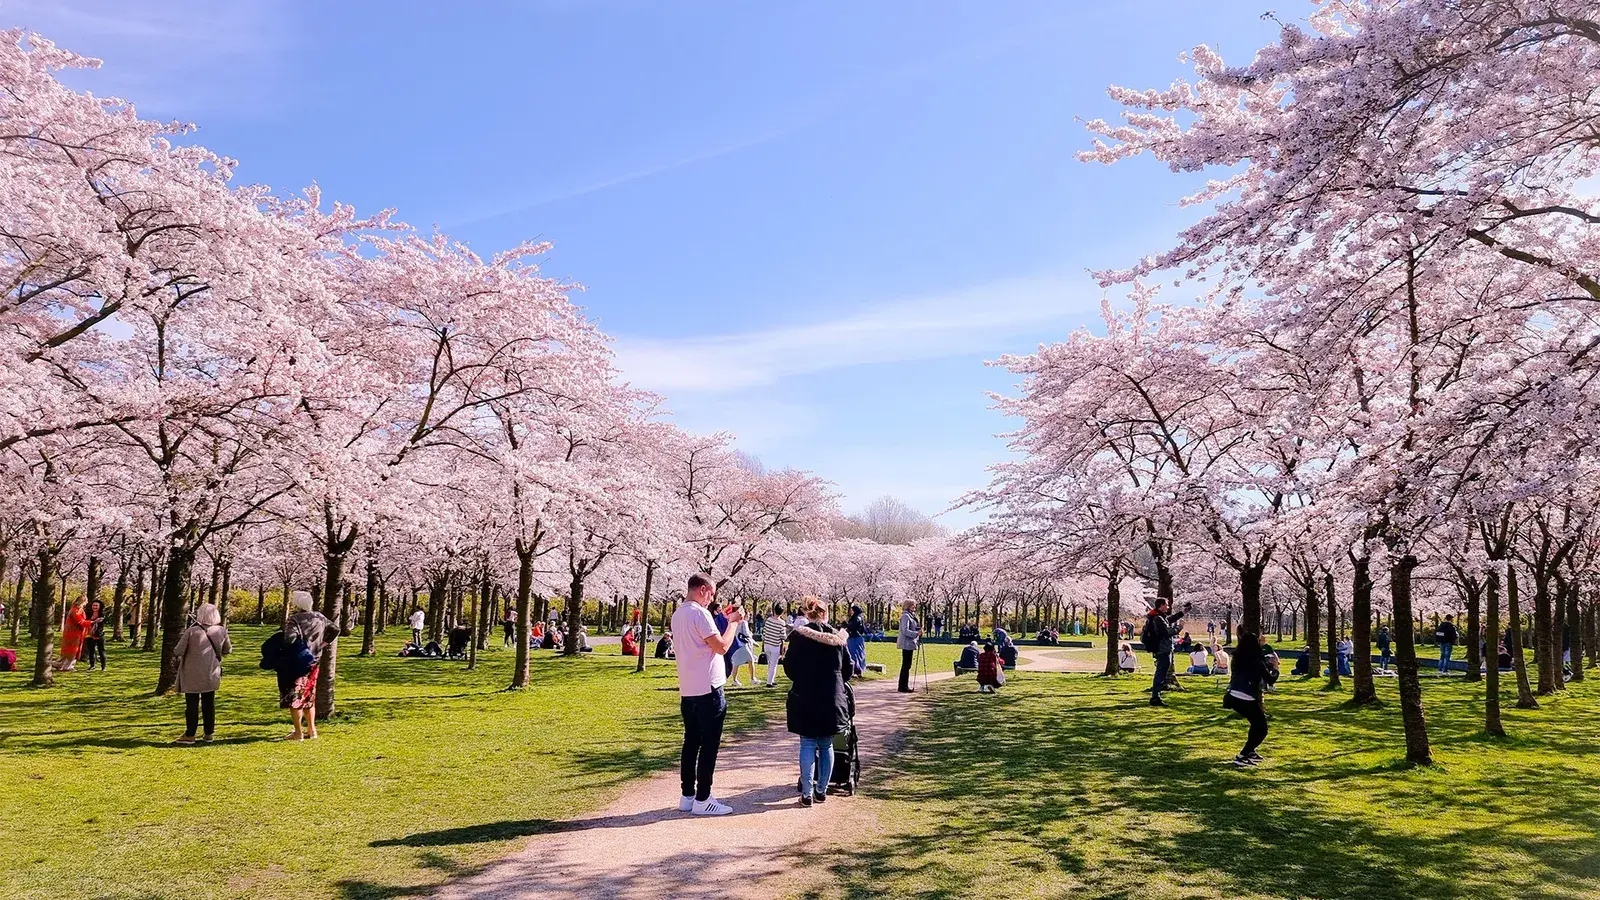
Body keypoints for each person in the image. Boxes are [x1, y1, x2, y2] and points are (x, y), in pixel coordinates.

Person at [672, 573, 745, 816]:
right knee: (709, 744)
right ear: (703, 589)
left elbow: (702, 638)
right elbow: (722, 647)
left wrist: (721, 619)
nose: (712, 598)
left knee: (691, 741)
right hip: (708, 687)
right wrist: (734, 622)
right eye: (711, 593)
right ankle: (703, 797)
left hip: (689, 687)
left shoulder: (679, 613)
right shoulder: (699, 613)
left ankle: (688, 794)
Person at [783, 596, 851, 806]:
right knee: (826, 744)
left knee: (807, 743)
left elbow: (789, 667)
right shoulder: (838, 639)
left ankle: (806, 792)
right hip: (831, 697)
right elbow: (847, 669)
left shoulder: (799, 637)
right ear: (825, 613)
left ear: (808, 614)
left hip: (806, 695)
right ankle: (821, 790)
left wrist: (802, 678)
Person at [172, 602, 231, 744]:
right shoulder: (221, 630)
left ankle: (190, 734)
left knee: (191, 704)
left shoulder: (191, 631)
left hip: (192, 673)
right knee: (209, 703)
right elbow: (227, 650)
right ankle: (208, 733)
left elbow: (178, 651)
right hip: (211, 671)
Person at [282, 591, 334, 742]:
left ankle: (298, 732)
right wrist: (323, 644)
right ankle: (312, 730)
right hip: (314, 660)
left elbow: (289, 639)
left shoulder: (295, 619)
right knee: (309, 694)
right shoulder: (320, 617)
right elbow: (335, 629)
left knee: (295, 696)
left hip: (297, 661)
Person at [1225, 629, 1271, 767]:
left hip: (1232, 695)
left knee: (1255, 723)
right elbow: (1270, 679)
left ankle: (1250, 751)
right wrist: (1274, 669)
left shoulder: (1237, 657)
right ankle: (1243, 755)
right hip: (1246, 697)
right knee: (1262, 728)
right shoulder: (1256, 660)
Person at [1141, 599, 1184, 706]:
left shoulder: (1156, 616)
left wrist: (1181, 613)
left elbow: (1168, 620)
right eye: (1166, 605)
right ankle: (1155, 697)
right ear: (1161, 606)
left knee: (1161, 672)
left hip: (1160, 648)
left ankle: (1156, 696)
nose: (1168, 607)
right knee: (1160, 673)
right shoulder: (1158, 618)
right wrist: (1179, 627)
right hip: (1162, 649)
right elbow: (1167, 632)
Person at [896, 599, 922, 693]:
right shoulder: (906, 616)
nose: (914, 608)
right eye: (913, 606)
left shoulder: (911, 615)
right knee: (906, 665)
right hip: (906, 643)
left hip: (910, 643)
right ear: (908, 606)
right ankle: (903, 686)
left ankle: (903, 685)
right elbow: (904, 630)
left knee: (907, 665)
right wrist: (916, 633)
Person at [57, 596, 89, 671]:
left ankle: (62, 664)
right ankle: (67, 666)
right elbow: (80, 621)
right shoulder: (76, 610)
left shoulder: (77, 609)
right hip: (73, 632)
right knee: (72, 649)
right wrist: (92, 622)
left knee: (70, 649)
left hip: (75, 632)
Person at [761, 602, 789, 687]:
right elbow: (783, 636)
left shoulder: (769, 620)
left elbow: (764, 633)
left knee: (770, 663)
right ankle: (769, 682)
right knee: (773, 664)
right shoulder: (781, 623)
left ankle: (771, 679)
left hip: (767, 644)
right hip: (775, 646)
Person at [727, 614, 756, 687]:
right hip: (742, 644)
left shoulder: (732, 622)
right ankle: (752, 679)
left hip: (734, 643)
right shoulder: (744, 622)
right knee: (751, 660)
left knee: (736, 663)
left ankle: (734, 680)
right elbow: (746, 633)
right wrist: (751, 635)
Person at [81, 598, 108, 671]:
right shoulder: (88, 613)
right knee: (91, 651)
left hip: (99, 635)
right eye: (93, 605)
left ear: (100, 606)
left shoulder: (102, 614)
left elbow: (100, 626)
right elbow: (85, 622)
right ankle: (92, 665)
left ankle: (104, 667)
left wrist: (97, 635)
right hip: (89, 634)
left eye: (96, 606)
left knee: (101, 651)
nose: (95, 607)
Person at [844, 604, 867, 677]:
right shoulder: (860, 617)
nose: (850, 611)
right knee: (859, 654)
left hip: (854, 638)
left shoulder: (856, 618)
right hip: (858, 638)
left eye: (852, 610)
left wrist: (844, 623)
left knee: (853, 654)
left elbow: (851, 626)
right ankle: (859, 670)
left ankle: (855, 670)